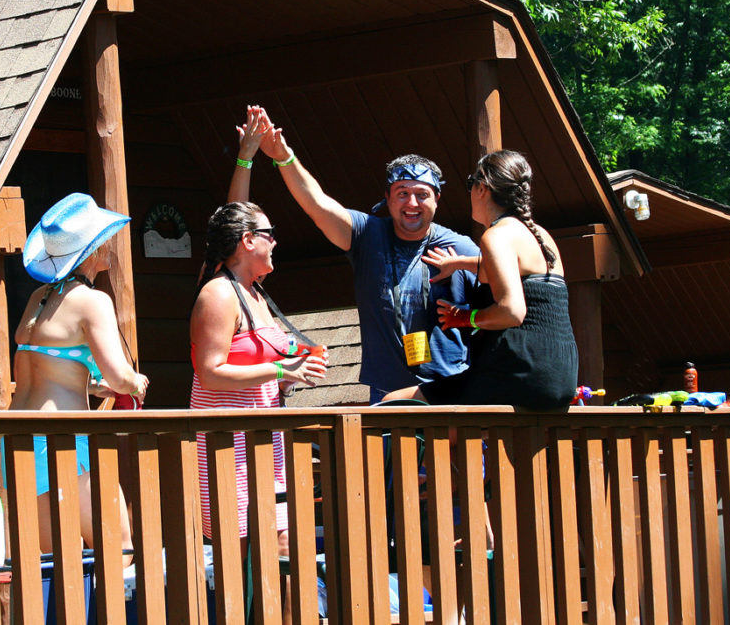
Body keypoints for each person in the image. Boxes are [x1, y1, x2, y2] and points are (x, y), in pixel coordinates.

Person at [259, 116, 480, 403]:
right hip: (387, 391)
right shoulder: (367, 235)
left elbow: (508, 296)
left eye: (422, 195)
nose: (412, 204)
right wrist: (284, 158)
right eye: (402, 194)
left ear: (437, 199)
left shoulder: (461, 247)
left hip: (448, 389)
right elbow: (317, 204)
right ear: (388, 198)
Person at [190, 111, 328, 550]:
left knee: (285, 552)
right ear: (249, 241)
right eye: (269, 234)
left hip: (266, 446)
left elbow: (238, 221)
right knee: (245, 559)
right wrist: (281, 371)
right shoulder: (218, 291)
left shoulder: (255, 292)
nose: (275, 240)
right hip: (227, 449)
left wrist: (292, 365)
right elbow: (210, 373)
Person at [12, 192, 149, 559]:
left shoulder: (38, 297)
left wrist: (89, 384)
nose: (108, 245)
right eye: (103, 239)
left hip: (20, 439)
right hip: (63, 441)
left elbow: (45, 366)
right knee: (118, 548)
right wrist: (136, 383)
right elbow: (121, 377)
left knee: (53, 561)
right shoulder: (92, 301)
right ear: (90, 250)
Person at [385, 150, 578, 408]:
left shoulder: (496, 236)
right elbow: (508, 272)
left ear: (483, 188)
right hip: (560, 377)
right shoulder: (540, 235)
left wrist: (466, 318)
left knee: (395, 404)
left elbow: (512, 312)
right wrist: (458, 263)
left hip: (516, 375)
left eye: (470, 184)